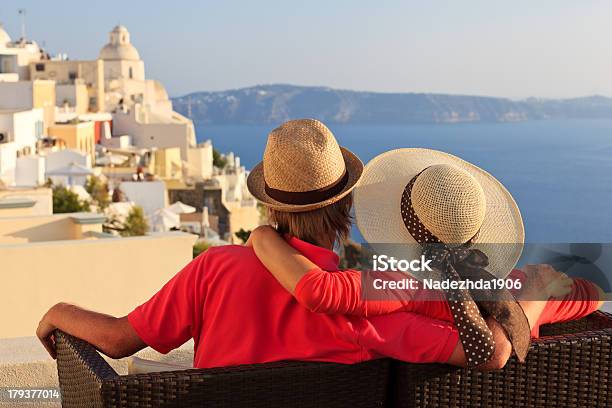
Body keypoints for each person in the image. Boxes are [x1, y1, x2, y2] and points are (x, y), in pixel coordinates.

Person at [38, 119, 523, 370]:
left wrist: (60, 310)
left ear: (271, 207)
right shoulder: (368, 308)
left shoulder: (213, 270)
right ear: (345, 208)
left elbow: (120, 339)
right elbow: (490, 349)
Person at [247, 148, 605, 342]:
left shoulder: (398, 291)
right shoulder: (514, 287)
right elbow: (592, 291)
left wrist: (262, 236)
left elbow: (318, 290)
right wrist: (535, 294)